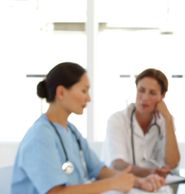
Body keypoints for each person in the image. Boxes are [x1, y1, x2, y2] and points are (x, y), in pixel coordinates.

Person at [12, 62, 165, 194]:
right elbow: (55, 192)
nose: (89, 98)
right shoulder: (40, 136)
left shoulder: (71, 131)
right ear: (61, 92)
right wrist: (113, 183)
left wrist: (138, 181)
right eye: (84, 90)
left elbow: (99, 170)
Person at [103, 68, 180, 177]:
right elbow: (118, 165)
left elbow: (172, 163)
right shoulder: (117, 120)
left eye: (152, 93)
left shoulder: (164, 121)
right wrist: (151, 173)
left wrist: (168, 119)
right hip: (122, 185)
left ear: (162, 97)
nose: (144, 98)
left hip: (155, 186)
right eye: (141, 90)